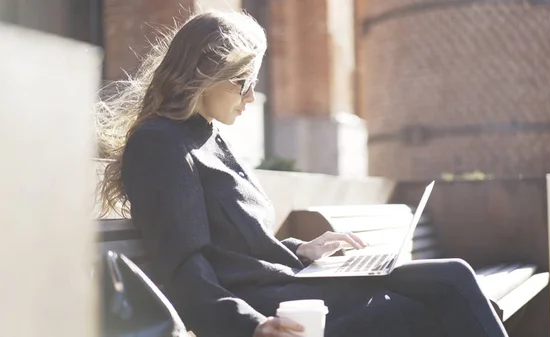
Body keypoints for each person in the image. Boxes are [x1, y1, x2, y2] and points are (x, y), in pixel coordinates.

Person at [97, 10, 509, 337]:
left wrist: (301, 250)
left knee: (452, 275)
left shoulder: (204, 134)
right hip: (265, 307)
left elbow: (237, 242)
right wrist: (249, 325)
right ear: (205, 75)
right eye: (242, 83)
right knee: (437, 310)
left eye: (253, 82)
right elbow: (184, 266)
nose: (251, 97)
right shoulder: (160, 144)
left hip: (285, 283)